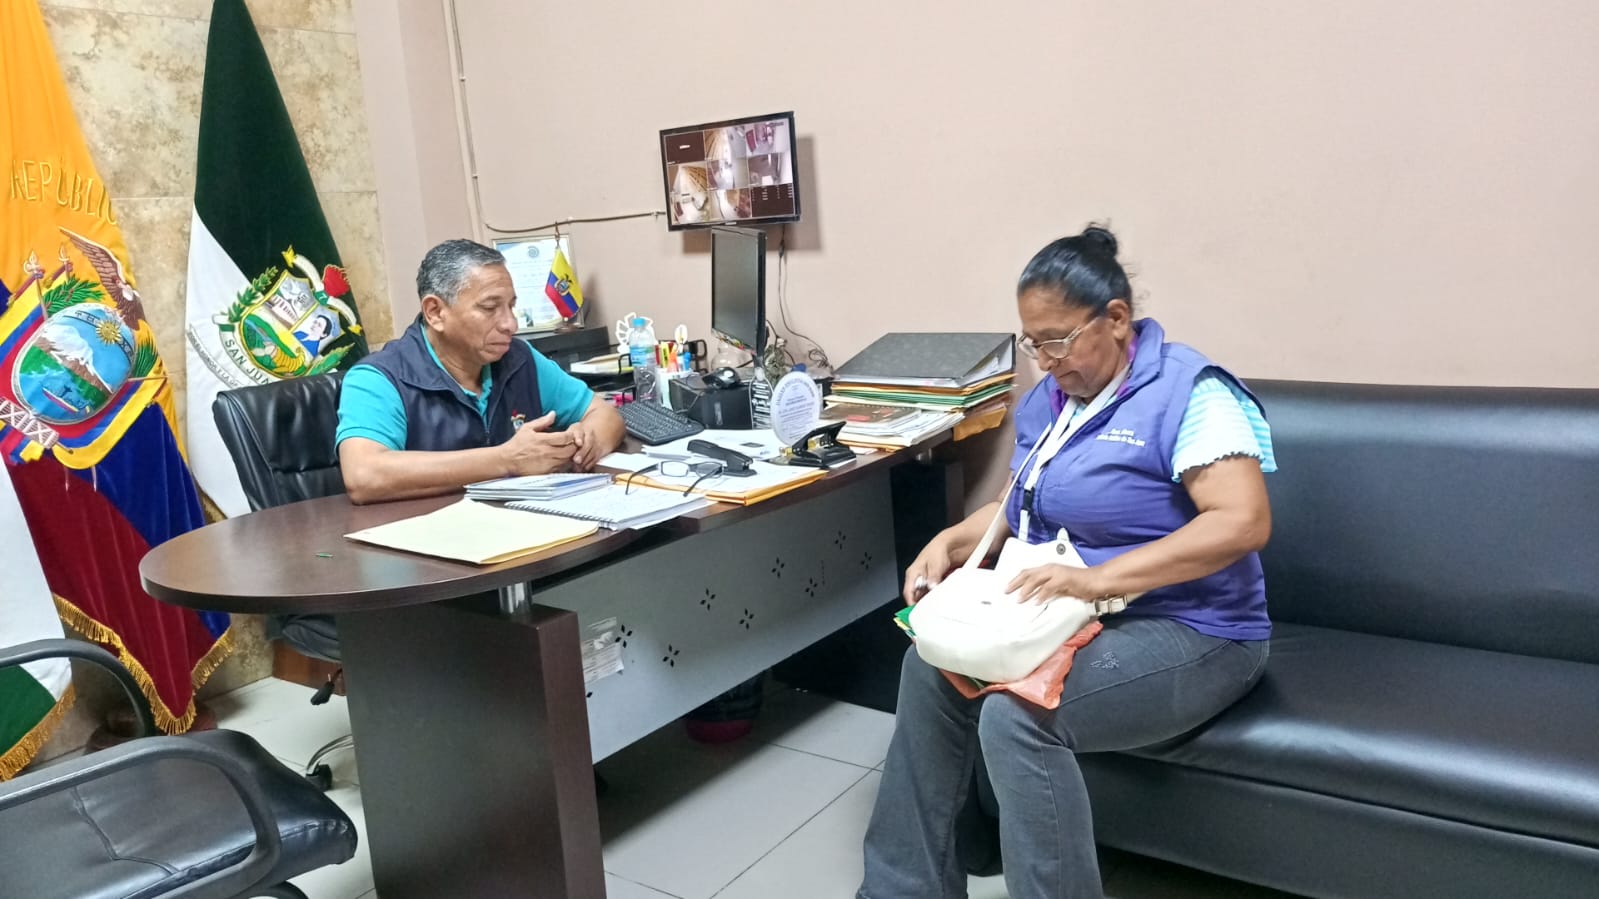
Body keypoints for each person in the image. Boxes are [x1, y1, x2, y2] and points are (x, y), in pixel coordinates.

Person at [858, 225, 1275, 899]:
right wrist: (953, 541)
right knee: (929, 666)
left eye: (1057, 340)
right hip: (1074, 615)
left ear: (1116, 319)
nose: (1046, 360)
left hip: (1194, 628)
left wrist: (1095, 580)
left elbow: (1242, 521)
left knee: (1018, 716)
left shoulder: (1188, 392)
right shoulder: (1051, 402)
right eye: (1034, 343)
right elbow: (1014, 504)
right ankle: (903, 889)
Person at [336, 239, 625, 504]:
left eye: (511, 306)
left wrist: (586, 442)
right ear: (435, 312)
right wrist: (507, 460)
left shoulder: (518, 359)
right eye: (490, 308)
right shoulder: (379, 378)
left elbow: (603, 414)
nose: (510, 324)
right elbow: (364, 475)